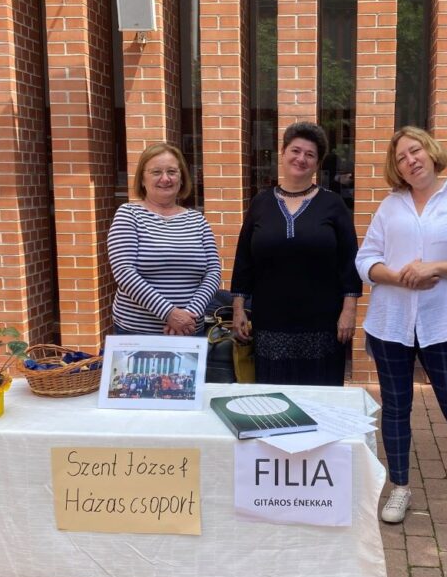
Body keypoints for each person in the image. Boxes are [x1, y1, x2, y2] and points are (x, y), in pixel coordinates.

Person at [355, 126, 447, 526]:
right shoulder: (390, 206)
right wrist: (398, 277)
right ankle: (399, 487)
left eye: (414, 151)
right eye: (400, 158)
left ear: (431, 152)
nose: (410, 161)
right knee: (396, 408)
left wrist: (435, 267)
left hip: (442, 324)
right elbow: (365, 260)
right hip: (391, 323)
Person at [230, 121, 361, 385]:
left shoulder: (332, 204)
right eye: (296, 151)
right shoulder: (261, 203)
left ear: (317, 163)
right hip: (270, 322)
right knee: (274, 398)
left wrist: (349, 311)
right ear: (283, 153)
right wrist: (238, 308)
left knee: (320, 397)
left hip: (323, 324)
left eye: (310, 154)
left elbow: (349, 262)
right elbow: (244, 260)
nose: (301, 159)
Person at [107, 143, 220, 337]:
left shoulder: (197, 220)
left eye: (172, 172)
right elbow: (124, 272)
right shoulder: (129, 214)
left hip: (190, 330)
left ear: (181, 178)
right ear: (142, 179)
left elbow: (214, 272)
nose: (165, 179)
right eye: (156, 172)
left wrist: (190, 313)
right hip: (137, 333)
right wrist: (169, 314)